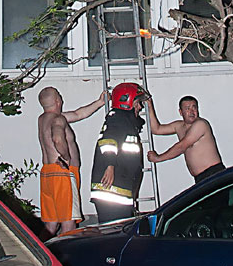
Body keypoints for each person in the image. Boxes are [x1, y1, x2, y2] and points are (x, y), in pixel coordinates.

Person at [37, 86, 106, 236]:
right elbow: (57, 138)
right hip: (62, 174)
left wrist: (99, 102)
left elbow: (78, 114)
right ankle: (66, 250)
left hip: (47, 173)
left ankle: (37, 248)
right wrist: (66, 157)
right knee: (68, 222)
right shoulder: (58, 119)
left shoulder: (43, 119)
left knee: (51, 224)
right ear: (58, 100)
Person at [90, 82, 149, 223]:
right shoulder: (118, 118)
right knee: (113, 232)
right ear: (126, 102)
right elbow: (108, 141)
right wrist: (110, 166)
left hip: (120, 188)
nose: (140, 107)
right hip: (111, 191)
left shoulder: (126, 122)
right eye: (137, 103)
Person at [146, 94, 225, 184]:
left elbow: (182, 146)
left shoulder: (201, 124)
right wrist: (150, 106)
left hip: (214, 174)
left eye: (194, 108)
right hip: (200, 178)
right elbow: (156, 129)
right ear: (181, 112)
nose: (192, 111)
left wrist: (158, 158)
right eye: (187, 108)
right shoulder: (179, 126)